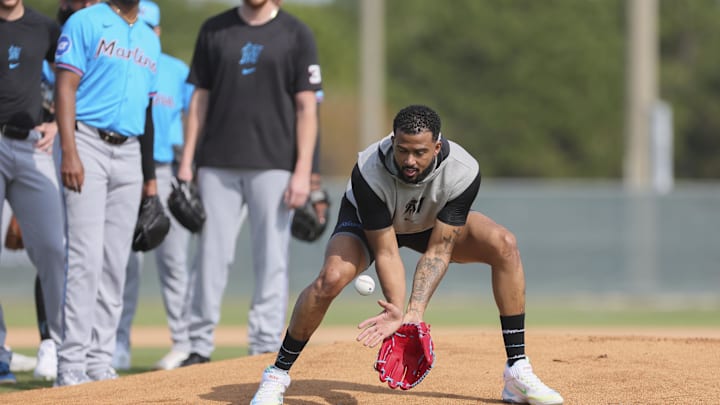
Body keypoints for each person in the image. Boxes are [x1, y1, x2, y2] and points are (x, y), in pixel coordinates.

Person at [250, 105, 564, 405]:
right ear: (392, 141)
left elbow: (440, 249)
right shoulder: (369, 170)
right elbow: (386, 251)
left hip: (428, 225)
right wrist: (397, 311)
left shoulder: (463, 171)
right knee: (331, 278)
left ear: (438, 147)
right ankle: (276, 375)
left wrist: (414, 313)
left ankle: (517, 370)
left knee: (504, 244)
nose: (409, 160)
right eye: (402, 150)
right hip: (369, 225)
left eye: (420, 152)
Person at [175, 0, 322, 365]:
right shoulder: (214, 29)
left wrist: (303, 170)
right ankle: (198, 344)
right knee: (210, 255)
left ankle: (262, 345)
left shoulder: (295, 32)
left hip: (274, 163)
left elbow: (307, 107)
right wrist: (187, 159)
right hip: (216, 162)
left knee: (271, 256)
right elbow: (199, 99)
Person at [54, 0, 160, 386]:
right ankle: (70, 365)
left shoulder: (150, 39)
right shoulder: (85, 21)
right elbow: (65, 87)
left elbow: (147, 113)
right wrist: (69, 151)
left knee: (116, 262)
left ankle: (99, 359)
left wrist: (150, 179)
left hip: (130, 150)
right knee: (85, 257)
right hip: (87, 142)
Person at [112, 0, 196, 371]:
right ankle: (116, 345)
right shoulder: (118, 62)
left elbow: (197, 117)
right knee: (122, 262)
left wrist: (189, 167)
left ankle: (183, 341)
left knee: (173, 262)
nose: (143, 33)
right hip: (126, 162)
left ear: (157, 31)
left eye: (149, 28)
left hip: (166, 170)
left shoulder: (177, 71)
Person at [0, 0, 64, 385]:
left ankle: (62, 348)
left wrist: (59, 120)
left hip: (32, 145)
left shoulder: (45, 28)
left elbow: (70, 78)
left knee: (55, 247)